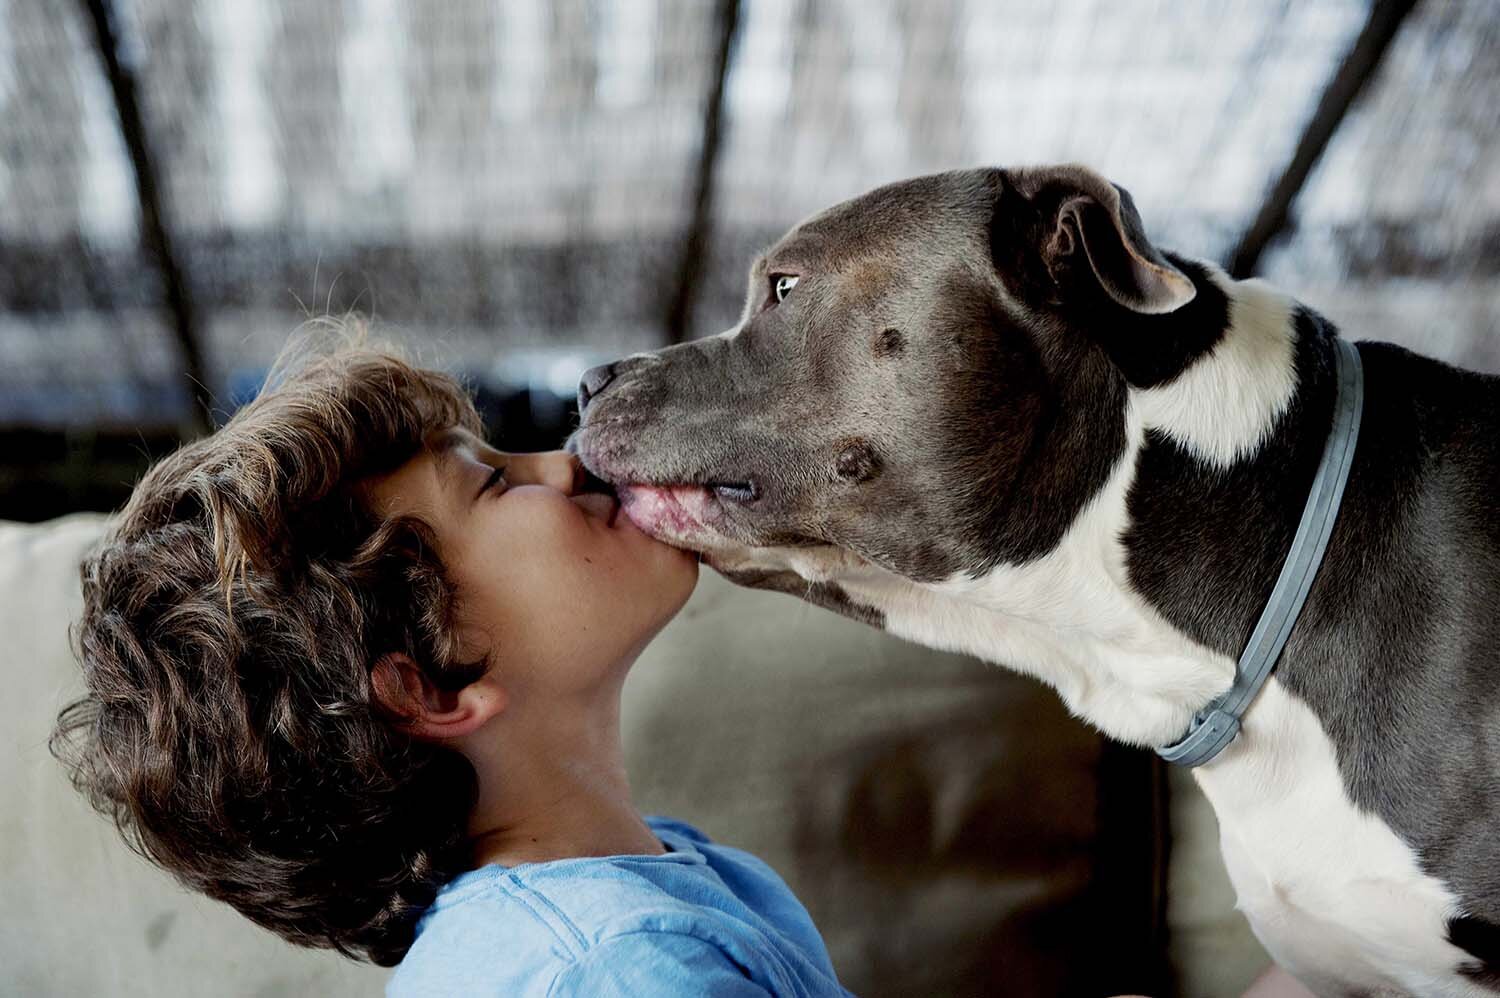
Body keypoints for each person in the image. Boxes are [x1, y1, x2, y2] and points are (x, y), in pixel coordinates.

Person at [52, 337, 851, 997]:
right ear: (431, 687)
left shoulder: (592, 913)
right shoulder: (619, 967)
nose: (566, 463)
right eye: (495, 482)